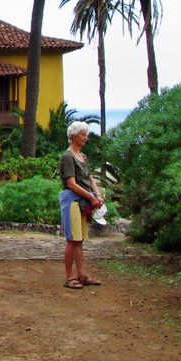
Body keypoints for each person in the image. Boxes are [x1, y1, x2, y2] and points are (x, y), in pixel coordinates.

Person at [59, 120, 105, 289]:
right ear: (73, 136)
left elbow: (90, 177)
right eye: (83, 135)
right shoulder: (68, 156)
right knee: (73, 239)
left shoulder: (82, 156)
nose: (86, 138)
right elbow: (71, 183)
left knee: (80, 240)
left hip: (82, 200)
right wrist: (91, 197)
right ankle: (69, 276)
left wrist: (97, 194)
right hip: (72, 201)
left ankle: (81, 274)